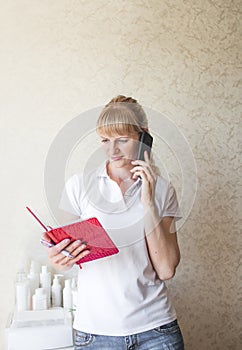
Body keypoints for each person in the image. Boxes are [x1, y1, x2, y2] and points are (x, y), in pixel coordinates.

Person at [43, 95, 185, 349]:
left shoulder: (163, 190)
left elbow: (166, 270)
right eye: (105, 140)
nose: (112, 150)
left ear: (144, 136)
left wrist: (148, 204)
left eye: (122, 139)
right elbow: (66, 256)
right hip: (95, 333)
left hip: (156, 330)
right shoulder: (79, 186)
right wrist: (58, 259)